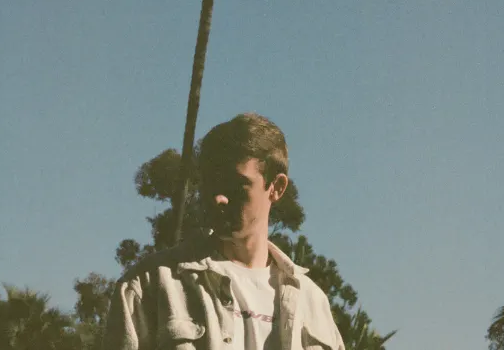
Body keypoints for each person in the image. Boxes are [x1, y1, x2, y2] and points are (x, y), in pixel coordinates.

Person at [103, 113, 345, 350]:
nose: (219, 198)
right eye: (212, 183)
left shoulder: (313, 304)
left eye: (236, 185)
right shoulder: (149, 285)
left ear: (276, 187)